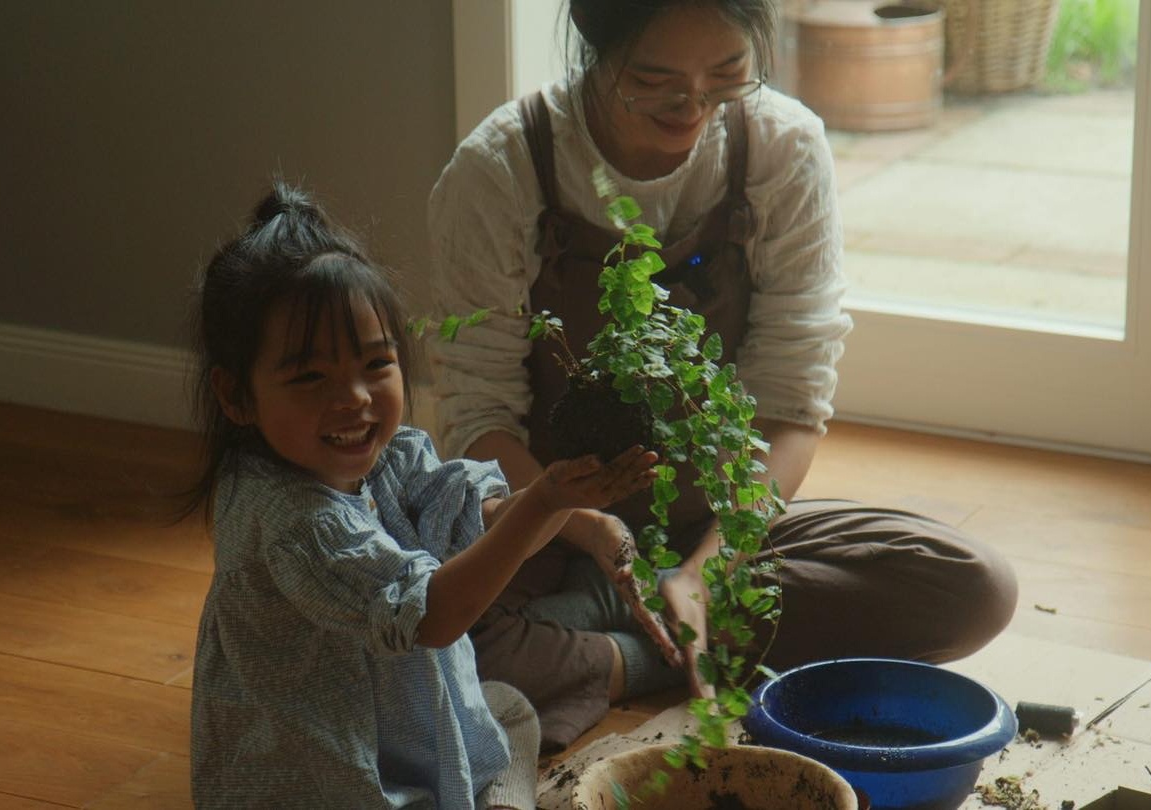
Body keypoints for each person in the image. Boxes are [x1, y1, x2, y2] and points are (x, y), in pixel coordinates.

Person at [427, 0, 1019, 751]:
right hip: (547, 522)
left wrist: (705, 570)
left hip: (723, 524)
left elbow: (790, 405)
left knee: (969, 587)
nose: (693, 105)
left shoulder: (781, 147)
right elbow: (478, 418)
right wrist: (590, 529)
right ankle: (663, 647)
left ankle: (633, 640)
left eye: (727, 76)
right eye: (655, 79)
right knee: (418, 628)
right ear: (593, 44)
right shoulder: (501, 166)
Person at [184, 181, 659, 809]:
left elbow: (485, 518)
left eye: (375, 365)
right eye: (309, 377)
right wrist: (546, 501)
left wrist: (567, 500)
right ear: (237, 396)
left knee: (507, 709)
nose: (353, 396)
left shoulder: (384, 459)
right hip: (326, 779)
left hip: (395, 719)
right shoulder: (294, 520)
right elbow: (435, 618)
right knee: (500, 720)